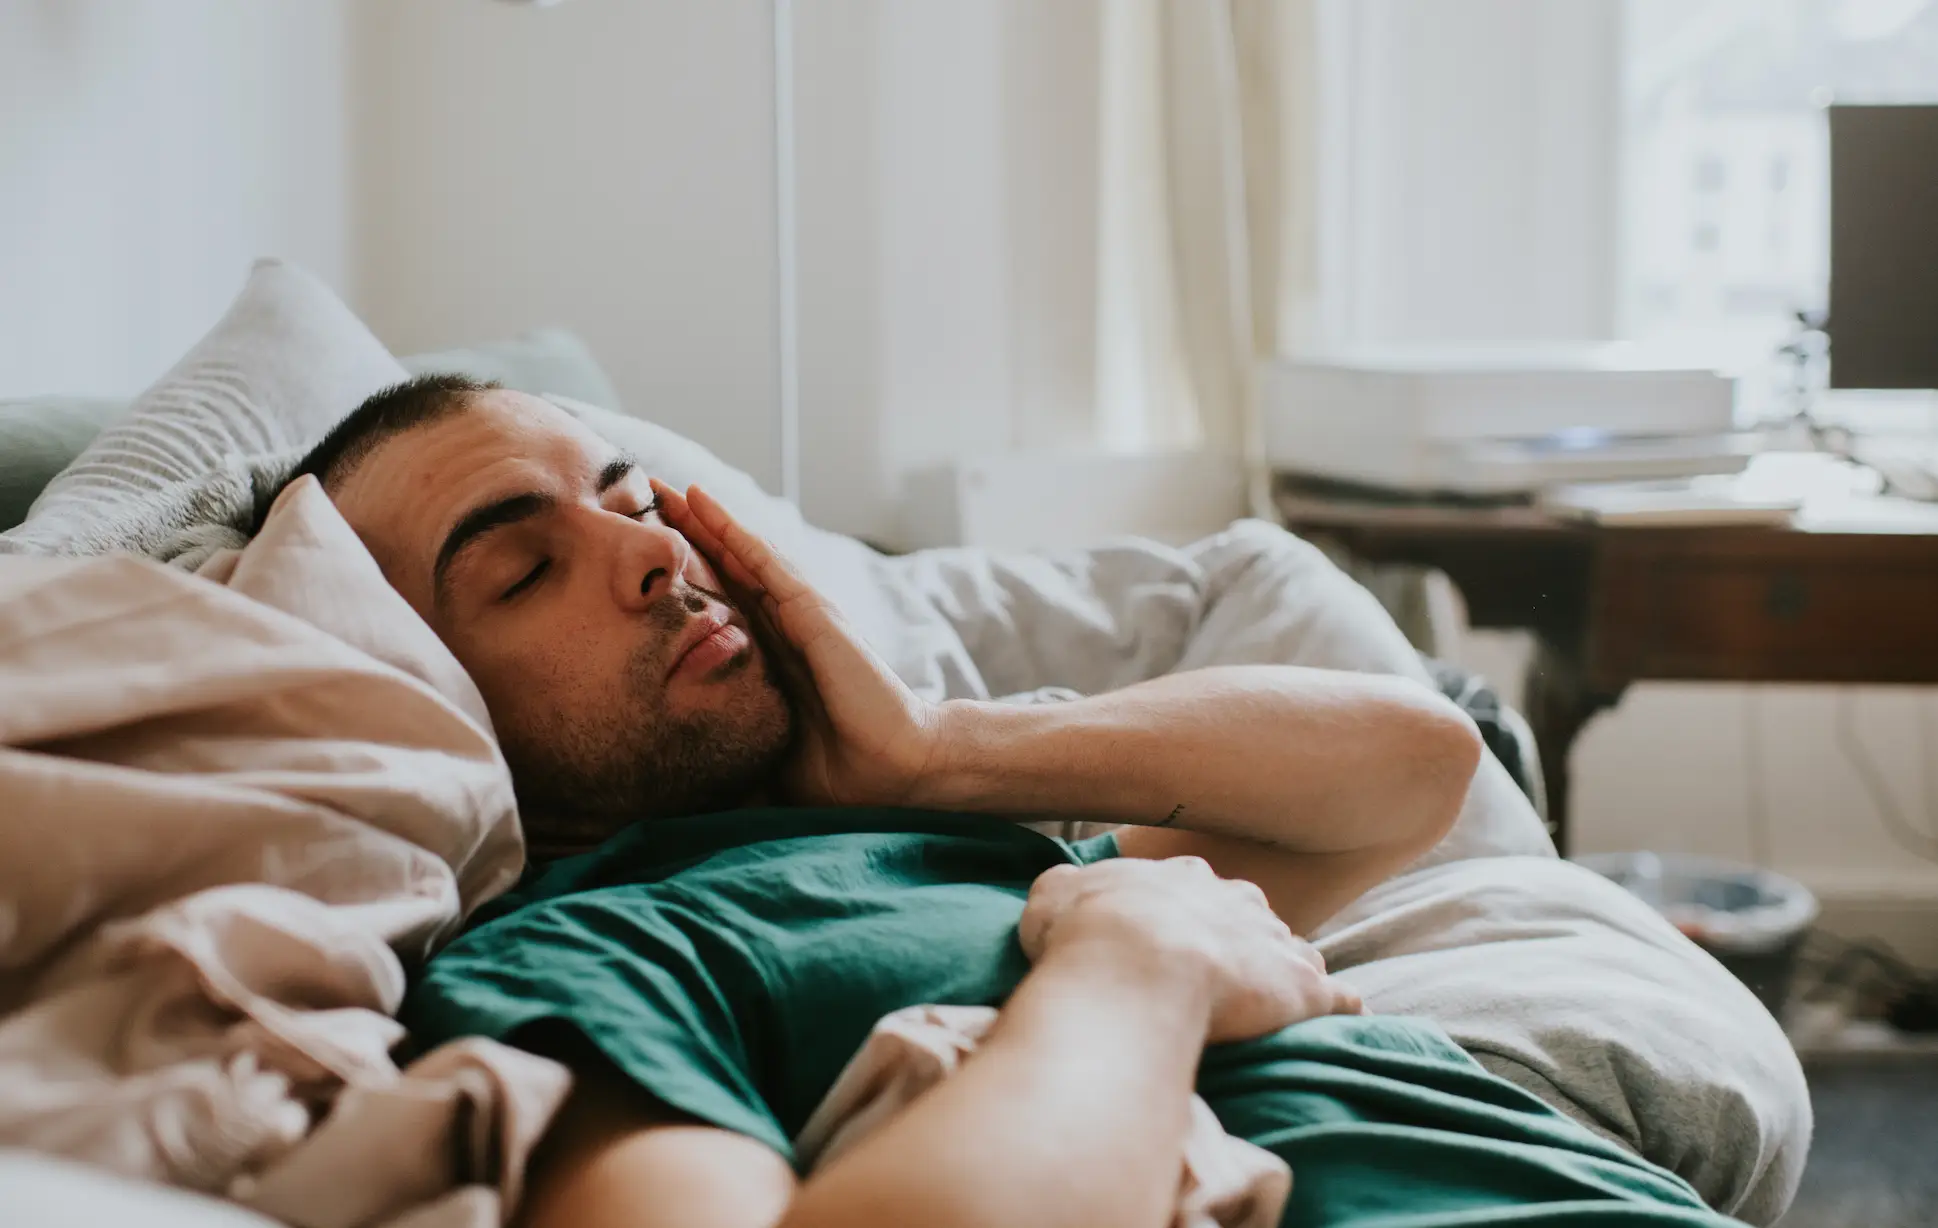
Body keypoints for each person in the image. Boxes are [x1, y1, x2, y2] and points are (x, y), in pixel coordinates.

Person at [289, 374, 1745, 1228]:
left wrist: (936, 753)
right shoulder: (568, 963)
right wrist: (1140, 973)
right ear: (424, 689)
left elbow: (1411, 773)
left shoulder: (923, 839)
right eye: (523, 569)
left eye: (632, 499)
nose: (652, 557)